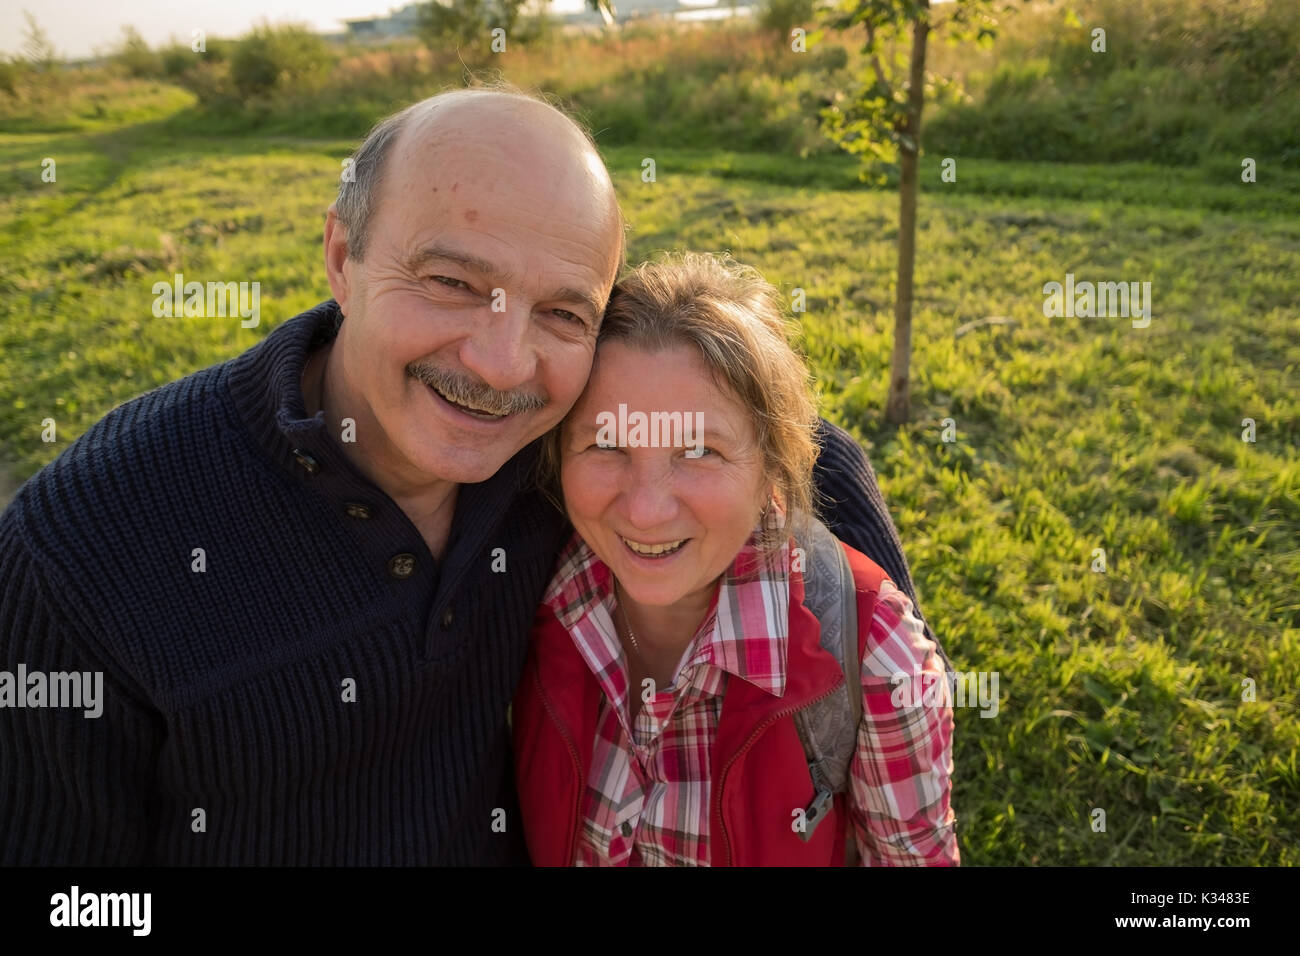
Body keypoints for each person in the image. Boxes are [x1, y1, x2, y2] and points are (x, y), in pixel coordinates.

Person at [0, 87, 935, 865]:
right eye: (451, 283)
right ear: (342, 257)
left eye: (564, 312)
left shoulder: (569, 448)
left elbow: (751, 432)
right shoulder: (84, 551)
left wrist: (837, 510)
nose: (499, 364)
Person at [513, 253, 958, 866]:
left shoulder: (876, 658)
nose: (644, 511)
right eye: (606, 444)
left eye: (699, 450)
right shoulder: (519, 588)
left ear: (772, 467)